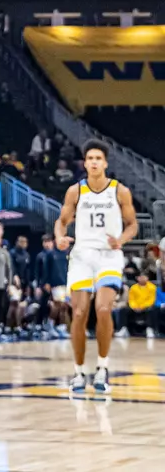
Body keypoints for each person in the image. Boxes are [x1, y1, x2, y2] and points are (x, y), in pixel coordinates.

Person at [56, 140, 138, 394]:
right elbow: (61, 221)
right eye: (89, 158)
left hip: (109, 256)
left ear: (105, 163)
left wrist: (121, 240)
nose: (93, 162)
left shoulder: (119, 191)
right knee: (79, 313)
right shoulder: (75, 191)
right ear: (85, 163)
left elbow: (133, 224)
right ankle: (79, 371)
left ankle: (102, 367)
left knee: (103, 309)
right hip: (81, 255)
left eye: (98, 158)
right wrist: (60, 237)